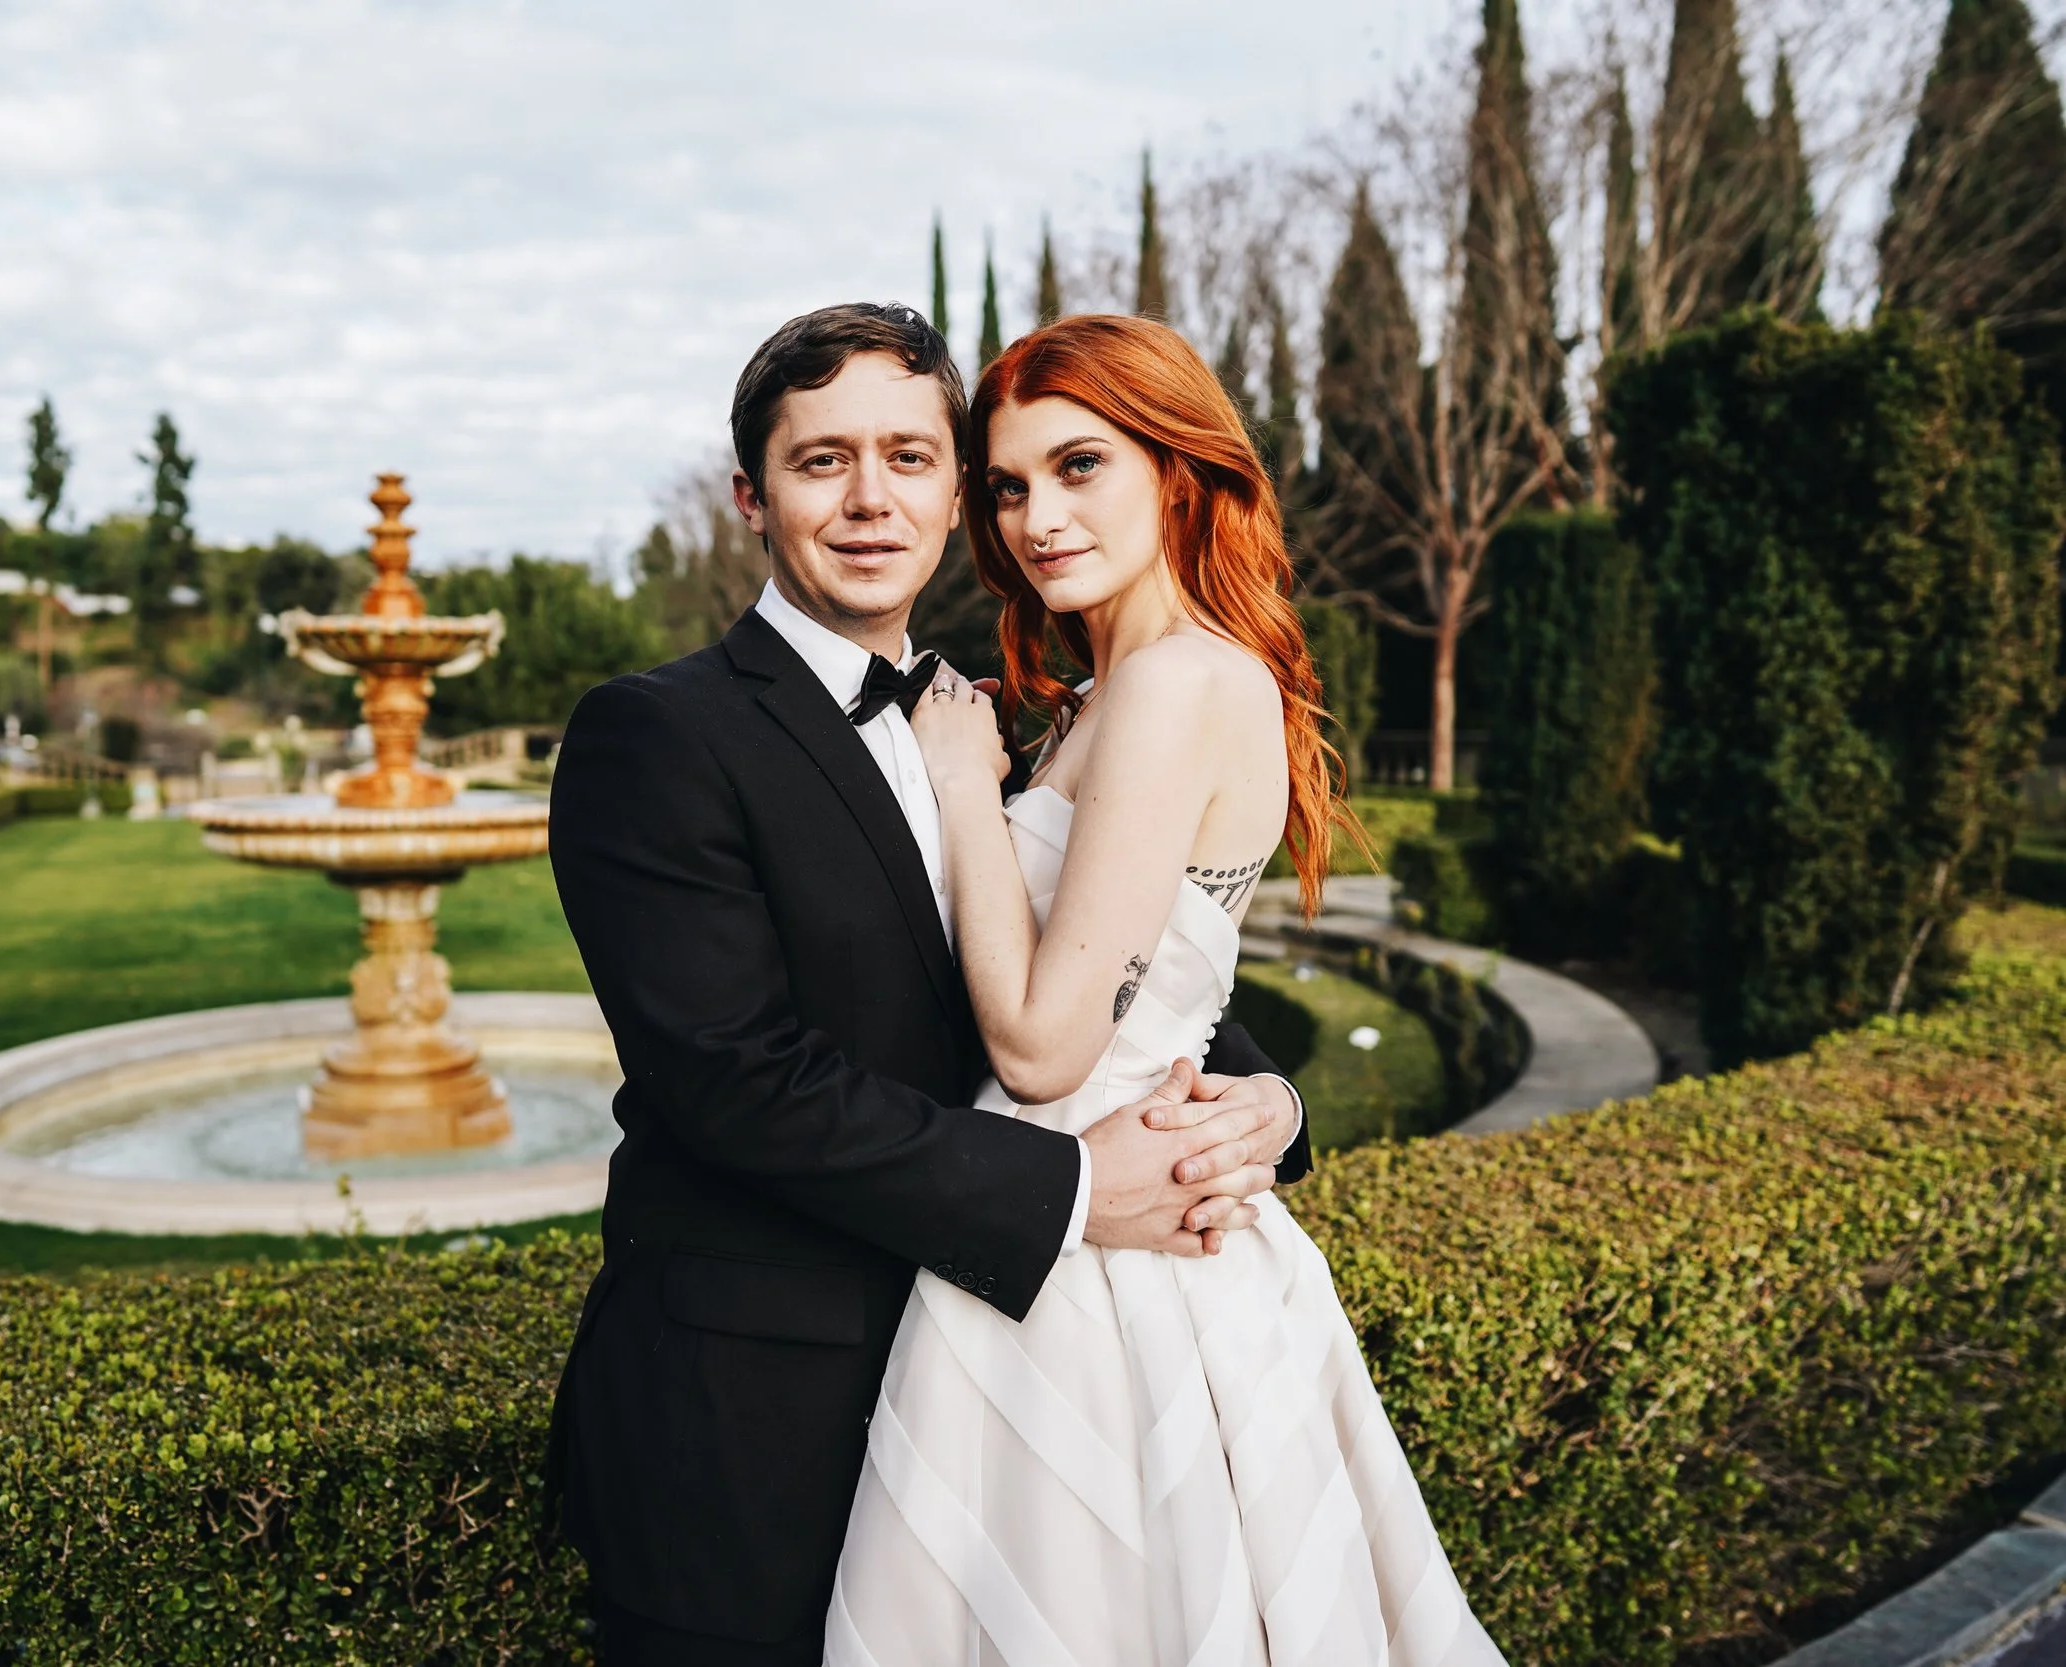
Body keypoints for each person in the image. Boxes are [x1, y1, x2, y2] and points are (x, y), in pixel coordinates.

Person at [547, 302, 1314, 1666]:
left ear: (953, 496)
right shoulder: (653, 734)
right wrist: (1077, 1189)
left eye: (910, 457)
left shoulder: (993, 727)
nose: (867, 498)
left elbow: (1120, 968)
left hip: (1013, 1401)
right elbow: (734, 1077)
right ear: (751, 497)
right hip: (757, 1439)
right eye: (819, 460)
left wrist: (1266, 1102)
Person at [824, 313, 1504, 1665]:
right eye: (1009, 487)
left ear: (1178, 468)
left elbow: (1039, 1043)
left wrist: (966, 788)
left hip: (1104, 1258)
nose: (1035, 519)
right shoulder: (1107, 693)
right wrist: (1272, 1093)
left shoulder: (1176, 684)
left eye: (1081, 467)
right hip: (1094, 1215)